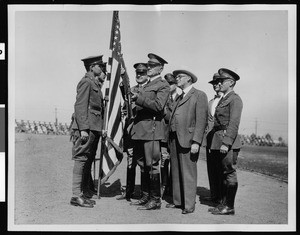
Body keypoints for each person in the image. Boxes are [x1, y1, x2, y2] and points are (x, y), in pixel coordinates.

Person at [130, 53, 170, 210]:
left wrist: (138, 99)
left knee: (152, 164)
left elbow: (159, 106)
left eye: (152, 66)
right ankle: (146, 196)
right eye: (148, 66)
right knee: (142, 164)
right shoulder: (146, 85)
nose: (149, 68)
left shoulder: (163, 85)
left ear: (160, 68)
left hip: (152, 129)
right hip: (140, 129)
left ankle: (155, 200)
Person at [168, 70, 208, 214]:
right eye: (176, 77)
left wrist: (196, 141)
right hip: (174, 139)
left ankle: (189, 205)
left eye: (180, 77)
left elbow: (201, 121)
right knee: (176, 171)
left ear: (189, 79)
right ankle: (178, 201)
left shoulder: (199, 95)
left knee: (188, 173)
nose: (176, 79)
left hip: (189, 139)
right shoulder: (179, 97)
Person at [70, 55, 107, 208]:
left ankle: (83, 193)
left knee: (87, 160)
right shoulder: (86, 82)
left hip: (94, 127)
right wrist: (84, 129)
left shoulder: (94, 83)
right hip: (86, 128)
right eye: (100, 66)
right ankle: (76, 195)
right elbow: (80, 106)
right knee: (81, 159)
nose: (102, 68)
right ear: (92, 67)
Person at [206, 68, 243, 215]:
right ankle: (223, 204)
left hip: (227, 141)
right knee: (222, 172)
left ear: (231, 82)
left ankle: (229, 206)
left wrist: (226, 143)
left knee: (229, 172)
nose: (219, 83)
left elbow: (234, 123)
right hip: (218, 139)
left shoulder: (235, 99)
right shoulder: (223, 98)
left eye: (222, 81)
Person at [116, 62, 150, 201]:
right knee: (131, 161)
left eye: (142, 73)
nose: (139, 76)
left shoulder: (149, 90)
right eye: (137, 73)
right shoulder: (133, 89)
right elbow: (126, 97)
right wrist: (123, 75)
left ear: (147, 74)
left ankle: (144, 193)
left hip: (144, 132)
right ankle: (129, 192)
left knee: (143, 163)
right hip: (131, 132)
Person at [203, 73, 224, 205]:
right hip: (210, 139)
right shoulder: (211, 102)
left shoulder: (227, 100)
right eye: (214, 83)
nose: (216, 85)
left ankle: (223, 198)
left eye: (218, 83)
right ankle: (214, 195)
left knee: (222, 169)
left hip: (221, 140)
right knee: (211, 168)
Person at [160, 73, 178, 199]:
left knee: (175, 163)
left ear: (176, 84)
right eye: (167, 84)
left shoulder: (180, 98)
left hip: (176, 135)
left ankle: (173, 188)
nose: (169, 86)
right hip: (163, 135)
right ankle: (164, 186)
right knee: (163, 162)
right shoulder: (162, 98)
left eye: (171, 84)